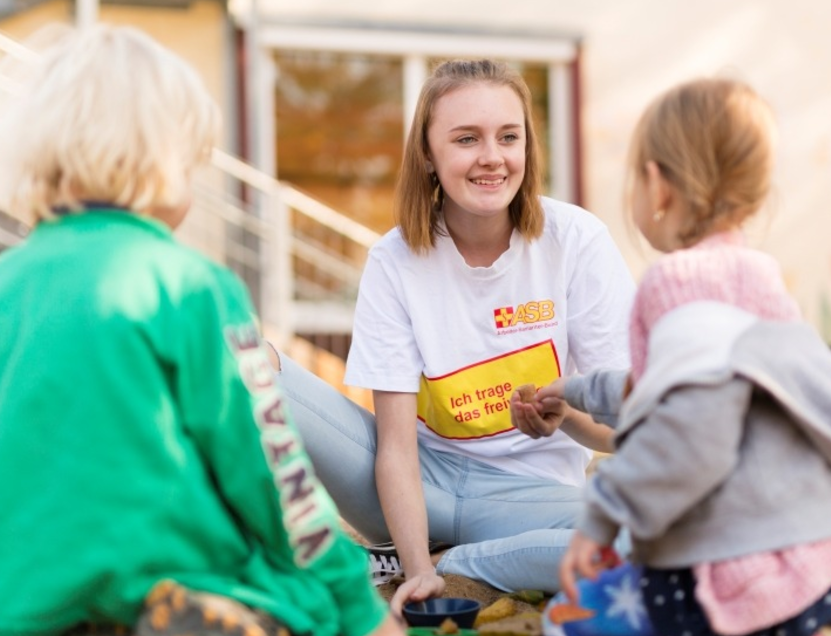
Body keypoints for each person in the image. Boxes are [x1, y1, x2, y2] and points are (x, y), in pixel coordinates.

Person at [0, 24, 398, 636]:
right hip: (162, 606)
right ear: (161, 162)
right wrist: (361, 612)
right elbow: (277, 486)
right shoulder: (193, 288)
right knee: (281, 597)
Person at [512, 78, 831, 636]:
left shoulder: (675, 282)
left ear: (655, 185)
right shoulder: (757, 277)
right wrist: (572, 390)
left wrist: (600, 516)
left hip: (759, 564)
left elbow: (692, 429)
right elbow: (658, 386)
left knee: (572, 621)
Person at [266, 59, 635, 613]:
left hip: (530, 500)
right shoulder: (394, 261)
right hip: (415, 484)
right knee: (245, 359)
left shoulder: (577, 241)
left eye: (508, 137)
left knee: (645, 537)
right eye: (467, 139)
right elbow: (393, 449)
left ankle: (460, 559)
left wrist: (571, 418)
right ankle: (405, 551)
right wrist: (415, 571)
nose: (492, 156)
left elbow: (623, 431)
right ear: (428, 155)